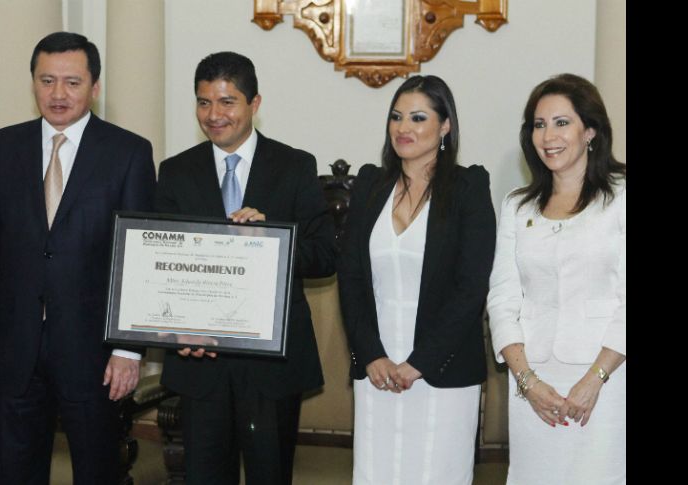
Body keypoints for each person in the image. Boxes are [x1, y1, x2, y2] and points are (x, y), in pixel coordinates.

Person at [0, 31, 156, 484]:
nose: (58, 94)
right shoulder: (1, 147)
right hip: (12, 349)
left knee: (97, 472)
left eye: (73, 82)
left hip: (94, 354)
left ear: (95, 87)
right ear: (33, 83)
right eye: (47, 80)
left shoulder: (129, 152)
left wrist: (127, 348)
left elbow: (137, 259)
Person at [155, 51, 336, 484]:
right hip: (200, 362)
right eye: (203, 102)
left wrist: (272, 239)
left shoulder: (295, 166)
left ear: (254, 104)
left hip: (270, 367)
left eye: (227, 102)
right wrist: (177, 330)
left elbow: (325, 255)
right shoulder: (176, 172)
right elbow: (162, 266)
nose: (213, 115)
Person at [337, 75, 496, 484]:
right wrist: (370, 354)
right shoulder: (372, 183)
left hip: (441, 369)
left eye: (418, 117)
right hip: (378, 368)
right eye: (396, 117)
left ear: (445, 126)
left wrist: (419, 364)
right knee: (377, 473)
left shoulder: (468, 187)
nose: (403, 128)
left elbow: (471, 287)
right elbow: (352, 278)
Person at [487, 73, 626, 484]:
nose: (549, 135)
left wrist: (594, 379)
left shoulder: (620, 198)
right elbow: (502, 296)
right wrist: (526, 380)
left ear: (591, 131)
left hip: (608, 376)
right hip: (534, 381)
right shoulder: (517, 205)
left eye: (562, 122)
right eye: (539, 124)